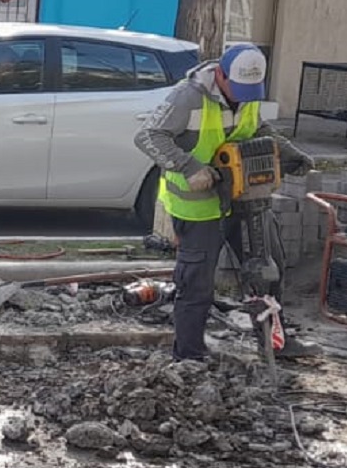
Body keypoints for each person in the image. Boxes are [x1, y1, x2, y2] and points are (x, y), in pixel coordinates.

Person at [134, 43, 313, 361]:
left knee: (268, 269)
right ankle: (189, 356)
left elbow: (258, 129)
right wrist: (189, 166)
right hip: (199, 206)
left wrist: (287, 152)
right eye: (238, 88)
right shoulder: (188, 97)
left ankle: (275, 344)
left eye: (250, 91)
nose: (244, 97)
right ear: (220, 74)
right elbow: (149, 136)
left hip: (245, 198)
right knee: (197, 284)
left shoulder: (248, 95)